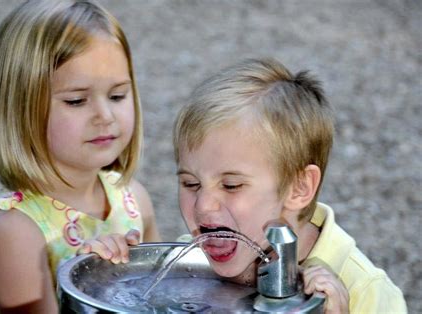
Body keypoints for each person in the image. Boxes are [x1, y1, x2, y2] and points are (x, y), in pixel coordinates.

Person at [0, 0, 161, 312]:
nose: (105, 115)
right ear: (22, 109)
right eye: (76, 100)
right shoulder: (13, 232)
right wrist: (86, 281)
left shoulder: (134, 200)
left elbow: (160, 297)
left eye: (117, 96)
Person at [173, 58, 407, 313]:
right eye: (191, 183)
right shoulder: (186, 267)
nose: (203, 205)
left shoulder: (365, 290)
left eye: (231, 185)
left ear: (299, 188)